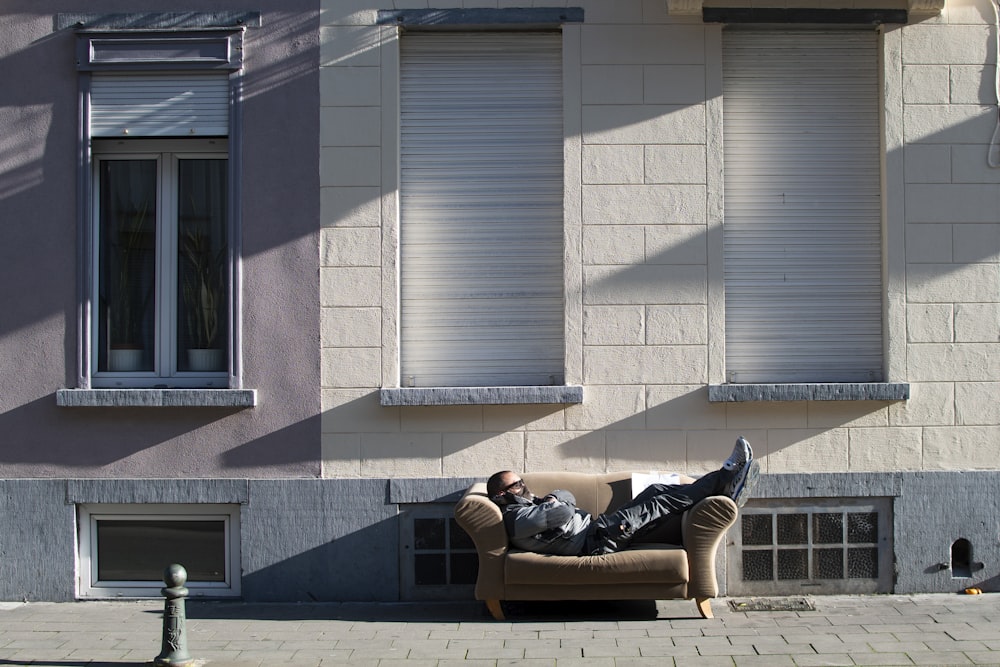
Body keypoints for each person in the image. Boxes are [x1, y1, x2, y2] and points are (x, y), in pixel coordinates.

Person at [487, 436, 759, 556]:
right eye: (517, 485)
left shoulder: (530, 506)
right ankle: (726, 475)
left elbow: (564, 495)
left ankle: (725, 487)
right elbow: (565, 511)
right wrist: (555, 503)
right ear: (501, 494)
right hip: (597, 540)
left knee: (655, 491)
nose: (524, 485)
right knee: (659, 503)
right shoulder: (517, 519)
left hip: (599, 528)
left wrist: (554, 499)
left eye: (522, 481)